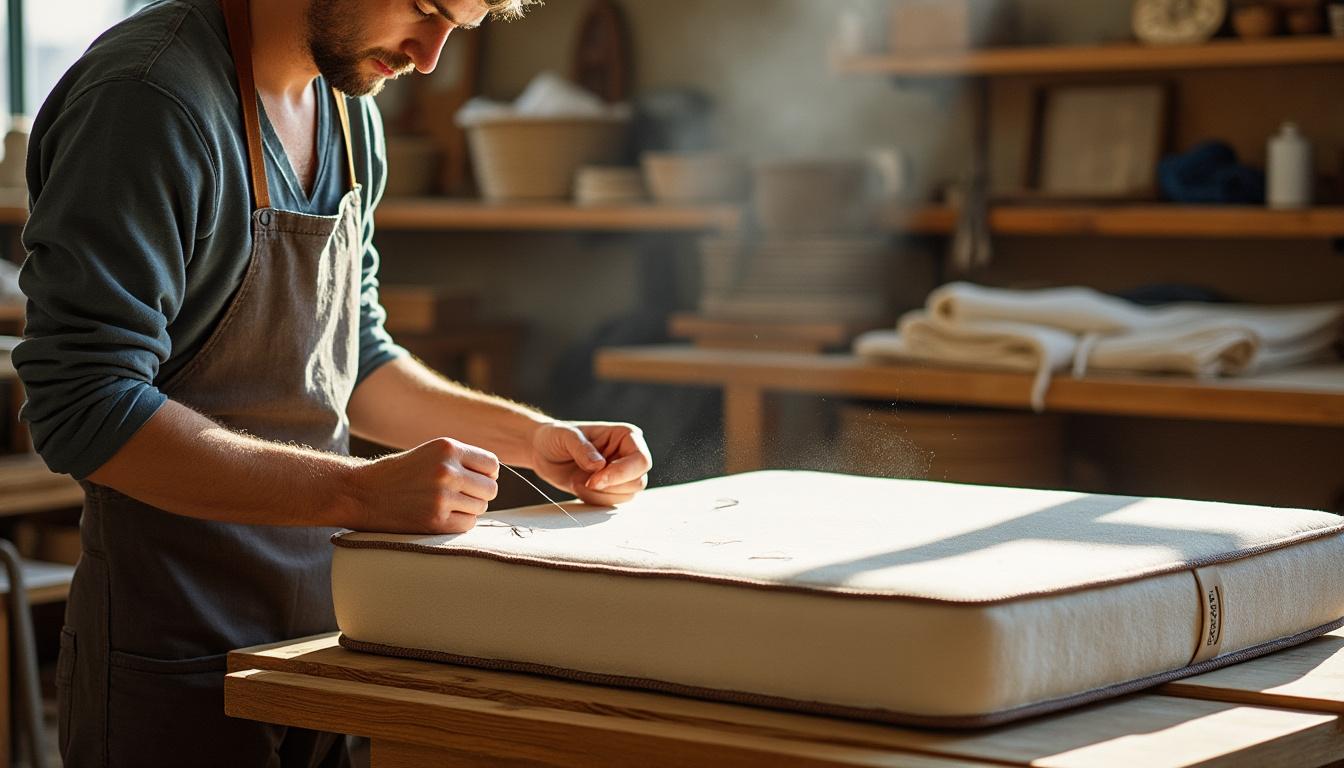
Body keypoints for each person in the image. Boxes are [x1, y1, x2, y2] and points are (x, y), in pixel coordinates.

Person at [14, 0, 653, 765]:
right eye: (424, 9)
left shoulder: (348, 112)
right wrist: (361, 493)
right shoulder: (148, 101)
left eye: (462, 26)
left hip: (322, 646)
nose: (430, 58)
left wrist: (536, 441)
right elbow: (85, 406)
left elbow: (356, 361)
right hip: (173, 659)